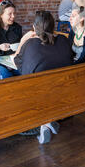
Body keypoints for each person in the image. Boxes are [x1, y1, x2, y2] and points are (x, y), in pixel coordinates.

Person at [13, 10, 73, 144]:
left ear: (34, 28)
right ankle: (47, 122)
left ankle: (44, 122)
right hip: (64, 93)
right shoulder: (63, 40)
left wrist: (23, 40)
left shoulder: (30, 44)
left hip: (37, 96)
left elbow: (17, 64)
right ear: (53, 27)